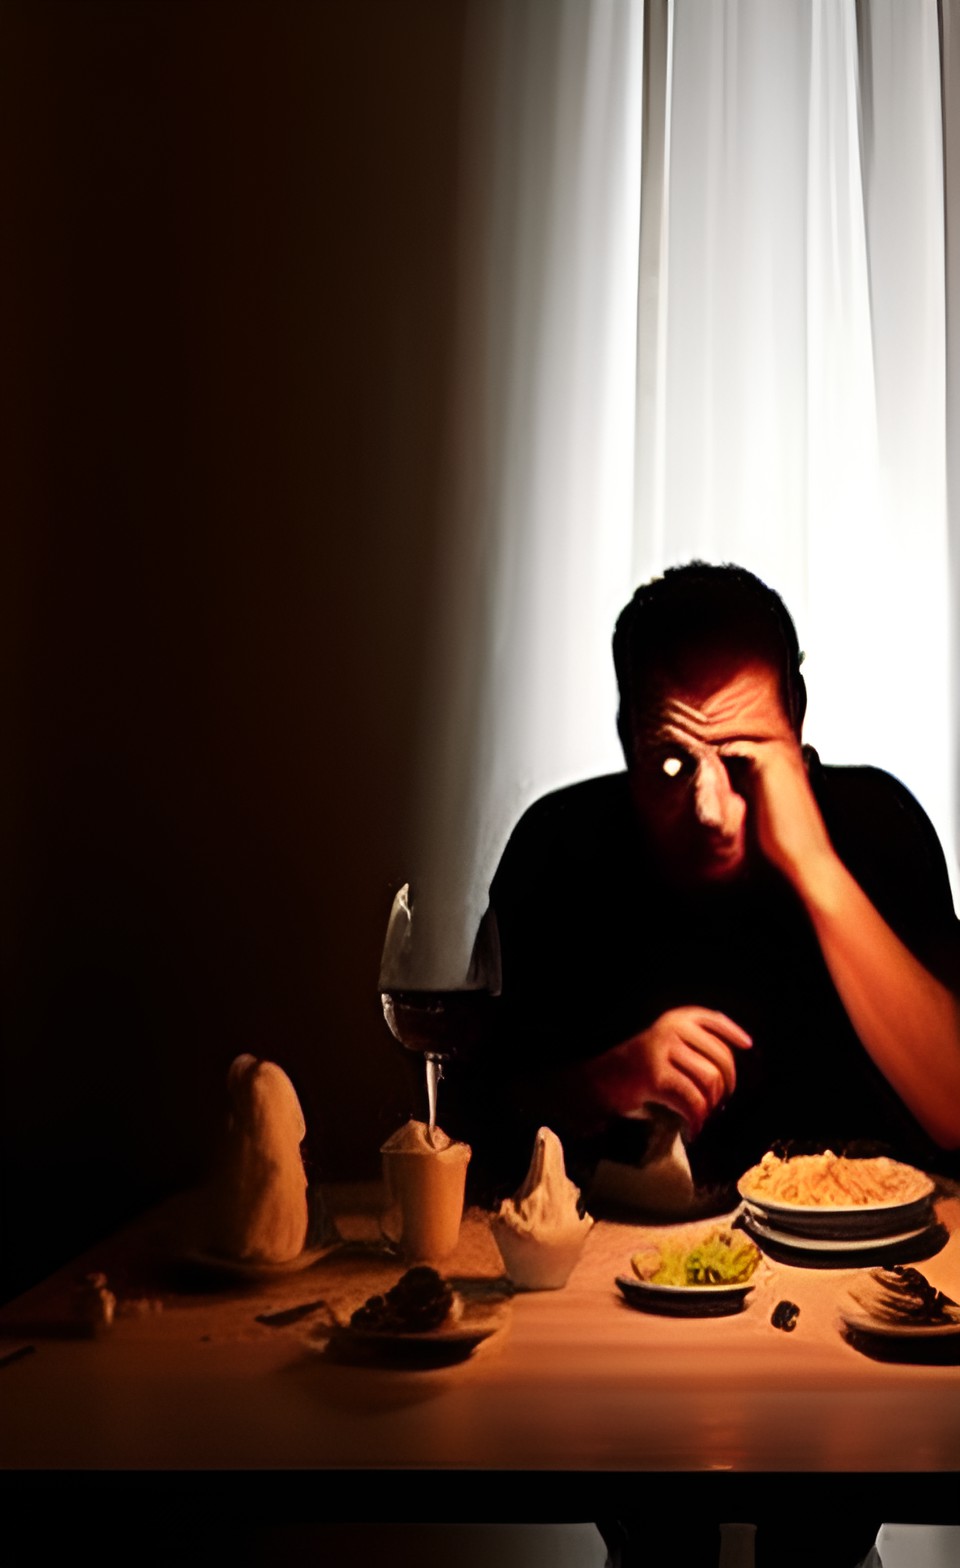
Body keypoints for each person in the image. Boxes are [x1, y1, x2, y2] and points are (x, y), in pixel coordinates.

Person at [448, 562, 960, 1202]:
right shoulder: (559, 843)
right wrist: (603, 1083)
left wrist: (815, 866)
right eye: (671, 762)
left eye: (743, 761)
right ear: (626, 734)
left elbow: (955, 1108)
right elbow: (458, 1128)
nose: (710, 808)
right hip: (615, 1269)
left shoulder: (878, 825)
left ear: (796, 719)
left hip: (871, 1270)